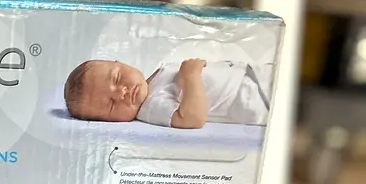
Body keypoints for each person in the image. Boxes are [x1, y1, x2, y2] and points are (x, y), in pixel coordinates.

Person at [63, 57, 270, 129]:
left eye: (116, 79)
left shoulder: (154, 79)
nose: (121, 93)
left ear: (121, 62)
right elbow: (193, 119)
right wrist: (191, 76)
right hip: (251, 98)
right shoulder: (151, 107)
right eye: (111, 104)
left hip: (251, 76)